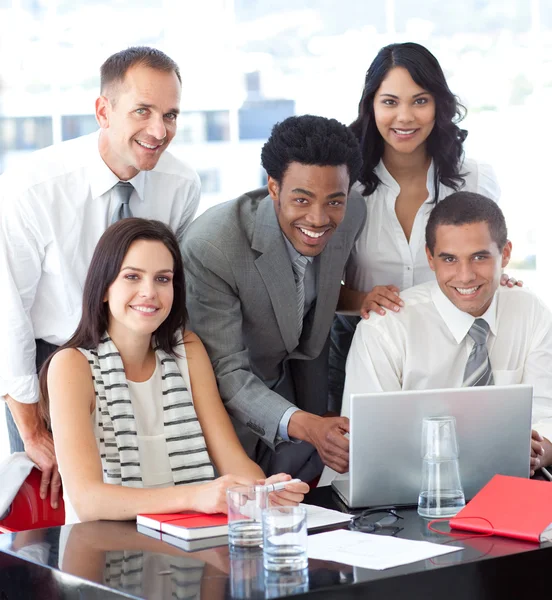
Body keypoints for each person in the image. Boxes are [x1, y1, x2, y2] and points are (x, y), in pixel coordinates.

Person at [0, 46, 201, 508]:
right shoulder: (32, 189)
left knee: (135, 503)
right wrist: (30, 427)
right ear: (103, 111)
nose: (159, 130)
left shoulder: (182, 184)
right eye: (143, 112)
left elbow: (172, 286)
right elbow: (7, 311)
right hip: (50, 367)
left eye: (170, 115)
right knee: (53, 519)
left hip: (135, 362)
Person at [39, 218, 308, 524]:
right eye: (132, 277)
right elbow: (88, 500)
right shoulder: (71, 366)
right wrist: (195, 496)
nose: (149, 292)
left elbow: (234, 460)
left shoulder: (187, 350)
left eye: (163, 279)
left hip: (186, 541)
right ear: (104, 289)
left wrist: (263, 491)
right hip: (104, 549)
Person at [329, 42, 517, 410]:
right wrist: (362, 299)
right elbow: (312, 287)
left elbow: (484, 251)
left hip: (453, 347)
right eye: (389, 102)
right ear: (370, 105)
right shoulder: (345, 184)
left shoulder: (474, 177)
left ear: (439, 105)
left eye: (419, 100)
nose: (405, 117)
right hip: (364, 348)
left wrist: (492, 277)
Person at [181, 115, 367, 481]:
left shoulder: (353, 212)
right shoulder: (213, 246)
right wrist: (307, 426)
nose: (318, 218)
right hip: (226, 425)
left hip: (305, 414)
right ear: (273, 187)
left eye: (334, 201)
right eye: (302, 199)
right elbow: (226, 372)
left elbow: (314, 300)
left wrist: (364, 298)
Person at [338, 192, 552, 478]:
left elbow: (546, 414)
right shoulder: (386, 327)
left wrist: (537, 452)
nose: (465, 276)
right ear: (430, 257)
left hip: (506, 482)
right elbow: (366, 440)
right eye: (449, 259)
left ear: (507, 254)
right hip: (398, 492)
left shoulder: (531, 311)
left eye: (480, 257)